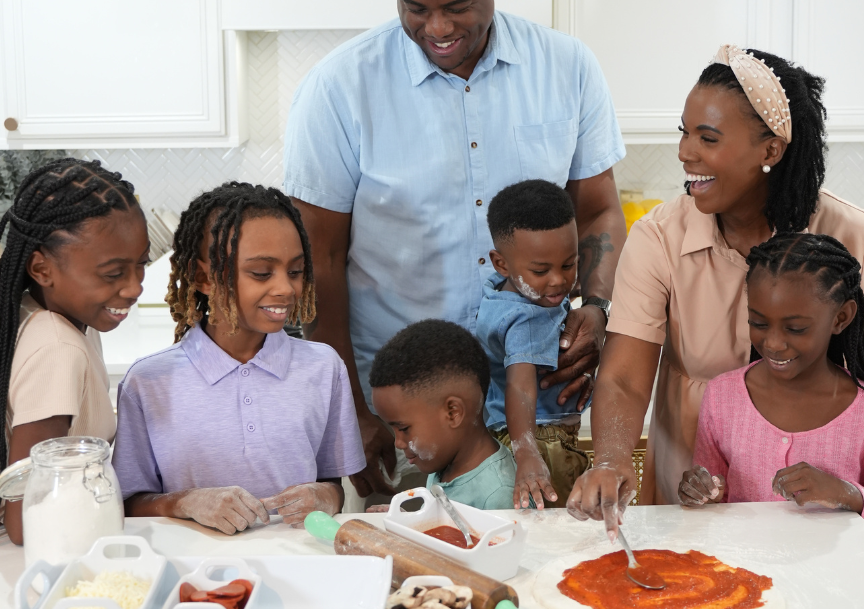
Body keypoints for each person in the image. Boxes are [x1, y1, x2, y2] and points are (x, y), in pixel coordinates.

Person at [568, 45, 864, 603]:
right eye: (683, 133)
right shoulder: (659, 237)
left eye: (708, 139)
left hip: (823, 521)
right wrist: (612, 459)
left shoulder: (850, 235)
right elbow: (623, 377)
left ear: (771, 149)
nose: (685, 153)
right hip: (699, 496)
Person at [284, 0, 627, 497]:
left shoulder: (568, 68)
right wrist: (348, 414)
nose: (436, 29)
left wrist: (597, 308)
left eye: (458, 7)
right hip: (402, 419)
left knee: (544, 580)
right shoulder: (340, 87)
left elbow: (598, 209)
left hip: (538, 408)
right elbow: (319, 259)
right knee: (409, 584)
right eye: (414, 8)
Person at [114, 182, 364, 534]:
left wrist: (326, 496)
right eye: (261, 272)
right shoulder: (148, 382)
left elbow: (331, 484)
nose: (285, 288)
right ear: (203, 277)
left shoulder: (323, 368)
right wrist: (185, 502)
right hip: (191, 571)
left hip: (298, 563)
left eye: (295, 271)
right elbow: (127, 503)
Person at [679, 233, 864, 559]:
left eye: (795, 328)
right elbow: (714, 501)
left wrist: (847, 494)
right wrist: (702, 495)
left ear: (841, 318)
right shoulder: (722, 397)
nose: (773, 343)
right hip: (751, 583)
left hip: (843, 591)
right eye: (758, 323)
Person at [0, 158, 148, 545]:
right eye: (113, 273)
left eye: (140, 265)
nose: (134, 287)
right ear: (42, 268)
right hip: (44, 561)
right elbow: (27, 518)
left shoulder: (59, 315)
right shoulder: (58, 349)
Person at [477, 179, 588, 509]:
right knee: (563, 537)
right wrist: (527, 452)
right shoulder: (527, 319)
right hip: (542, 442)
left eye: (569, 264)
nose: (558, 280)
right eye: (541, 270)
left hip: (514, 433)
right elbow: (521, 386)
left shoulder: (501, 290)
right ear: (501, 263)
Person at [369, 319, 515, 511]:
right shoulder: (445, 465)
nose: (398, 443)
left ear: (453, 413)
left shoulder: (499, 495)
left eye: (404, 429)